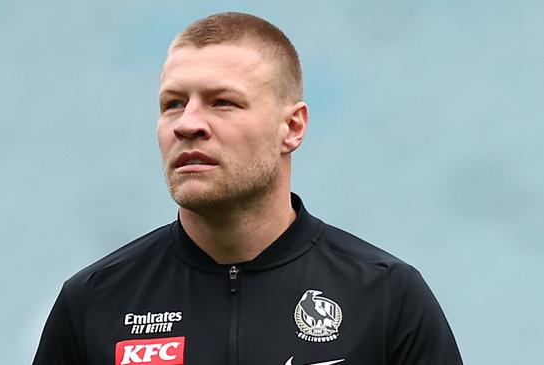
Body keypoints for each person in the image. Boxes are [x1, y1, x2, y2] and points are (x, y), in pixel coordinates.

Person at [33, 12, 463, 365]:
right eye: (173, 104)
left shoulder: (386, 296)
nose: (188, 124)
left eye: (223, 102)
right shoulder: (93, 301)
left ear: (292, 127)